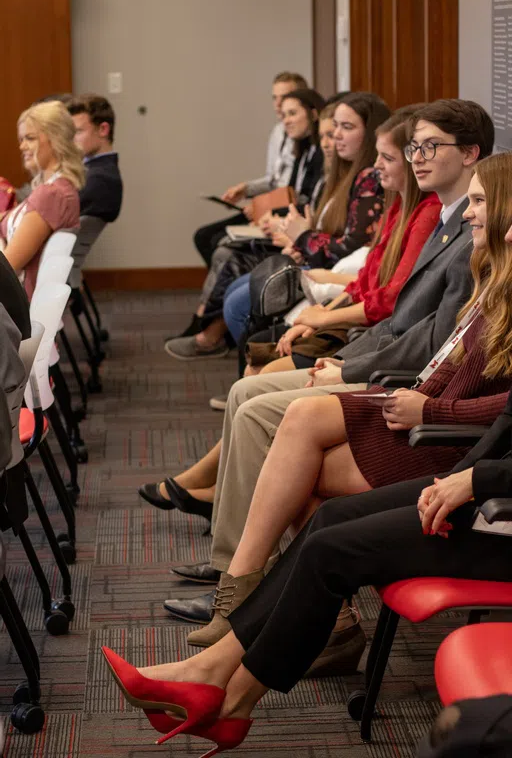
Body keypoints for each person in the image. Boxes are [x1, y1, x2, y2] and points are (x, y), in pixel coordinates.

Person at [158, 99, 494, 630]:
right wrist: (345, 359)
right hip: (408, 388)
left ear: (472, 155)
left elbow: (431, 341)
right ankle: (254, 585)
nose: (414, 159)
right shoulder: (447, 221)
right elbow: (408, 317)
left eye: (429, 147)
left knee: (263, 415)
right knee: (259, 400)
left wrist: (352, 369)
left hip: (423, 411)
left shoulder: (464, 235)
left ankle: (249, 586)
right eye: (413, 148)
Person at [103, 375, 512, 754]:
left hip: (501, 507)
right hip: (489, 482)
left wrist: (476, 482)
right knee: (329, 517)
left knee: (329, 553)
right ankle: (210, 668)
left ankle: (231, 703)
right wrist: (458, 479)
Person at [244, 105, 442, 373]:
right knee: (256, 353)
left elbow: (389, 299)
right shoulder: (396, 205)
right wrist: (321, 317)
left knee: (262, 367)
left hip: (376, 331)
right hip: (360, 317)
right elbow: (364, 281)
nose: (376, 165)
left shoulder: (426, 213)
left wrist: (325, 318)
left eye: (387, 158)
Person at [165, 88, 328, 361]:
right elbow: (291, 192)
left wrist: (277, 219)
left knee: (227, 254)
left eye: (292, 113)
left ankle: (210, 335)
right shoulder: (302, 149)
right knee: (217, 244)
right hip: (288, 228)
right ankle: (208, 326)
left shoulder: (318, 156)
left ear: (313, 113)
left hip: (298, 238)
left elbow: (307, 204)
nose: (284, 118)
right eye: (281, 110)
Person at [192, 71, 307, 272]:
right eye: (275, 98)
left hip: (280, 211)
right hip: (268, 207)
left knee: (218, 242)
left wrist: (260, 206)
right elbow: (273, 180)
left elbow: (294, 191)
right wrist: (246, 189)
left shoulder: (303, 139)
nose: (278, 105)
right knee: (204, 236)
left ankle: (223, 289)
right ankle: (221, 290)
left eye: (285, 97)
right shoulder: (278, 132)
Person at [0, 101, 84, 299]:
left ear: (56, 140)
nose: (22, 146)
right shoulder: (55, 188)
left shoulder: (51, 195)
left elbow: (7, 268)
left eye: (30, 138)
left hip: (11, 309)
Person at [67, 93, 123, 222]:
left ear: (103, 129)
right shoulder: (92, 172)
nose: (71, 140)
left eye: (78, 132)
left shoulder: (99, 179)